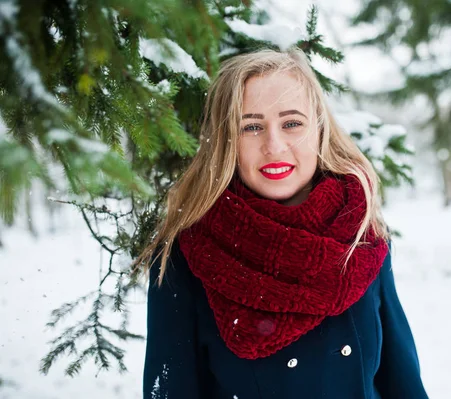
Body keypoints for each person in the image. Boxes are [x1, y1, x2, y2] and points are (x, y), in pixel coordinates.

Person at [138, 47, 429, 399]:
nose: (274, 146)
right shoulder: (184, 255)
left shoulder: (360, 233)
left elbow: (401, 381)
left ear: (319, 128)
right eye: (251, 127)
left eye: (291, 123)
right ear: (226, 140)